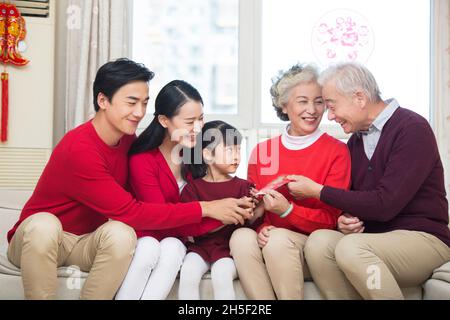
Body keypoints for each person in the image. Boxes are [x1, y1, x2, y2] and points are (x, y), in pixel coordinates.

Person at [6, 59, 252, 300]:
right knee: (44, 225)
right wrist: (207, 209)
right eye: (131, 103)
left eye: (144, 103)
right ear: (103, 100)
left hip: (84, 243)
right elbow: (133, 211)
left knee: (121, 234)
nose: (140, 112)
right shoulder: (80, 148)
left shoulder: (129, 143)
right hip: (41, 241)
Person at [287, 62, 450, 299]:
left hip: (423, 239)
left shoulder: (412, 128)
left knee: (351, 247)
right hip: (376, 238)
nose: (330, 116)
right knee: (319, 243)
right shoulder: (356, 141)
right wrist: (345, 219)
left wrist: (319, 191)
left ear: (360, 98)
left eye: (332, 106)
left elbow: (385, 204)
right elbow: (355, 198)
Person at [115, 82, 254, 300]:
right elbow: (159, 216)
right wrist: (216, 213)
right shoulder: (143, 160)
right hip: (151, 234)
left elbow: (218, 192)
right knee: (152, 247)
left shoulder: (195, 158)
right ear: (163, 120)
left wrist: (238, 209)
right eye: (190, 122)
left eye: (201, 119)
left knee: (172, 248)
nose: (198, 128)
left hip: (179, 241)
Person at [229, 63, 352, 299]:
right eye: (303, 101)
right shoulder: (263, 151)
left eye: (319, 101)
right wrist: (263, 226)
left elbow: (330, 220)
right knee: (241, 238)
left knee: (277, 240)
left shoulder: (337, 151)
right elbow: (257, 209)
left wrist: (287, 211)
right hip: (274, 236)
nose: (313, 110)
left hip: (313, 241)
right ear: (284, 105)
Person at [177, 120, 261, 300]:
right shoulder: (193, 189)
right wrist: (226, 216)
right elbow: (187, 226)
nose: (237, 156)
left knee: (221, 275)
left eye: (239, 149)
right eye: (230, 150)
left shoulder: (245, 187)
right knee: (188, 273)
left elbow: (252, 223)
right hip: (199, 249)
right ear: (207, 154)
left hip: (227, 249)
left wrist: (260, 207)